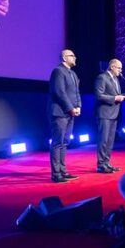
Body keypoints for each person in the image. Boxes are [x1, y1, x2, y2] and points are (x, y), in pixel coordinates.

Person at [94, 59, 125, 173]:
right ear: (112, 67)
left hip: (114, 113)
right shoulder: (102, 77)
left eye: (121, 68)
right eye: (119, 68)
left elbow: (116, 95)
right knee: (104, 140)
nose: (120, 71)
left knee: (110, 140)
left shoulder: (116, 79)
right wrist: (115, 98)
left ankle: (107, 163)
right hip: (104, 113)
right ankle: (101, 165)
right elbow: (99, 95)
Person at [49, 49, 81, 183]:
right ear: (64, 58)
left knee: (65, 142)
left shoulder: (73, 74)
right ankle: (56, 174)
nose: (75, 58)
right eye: (72, 56)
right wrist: (70, 108)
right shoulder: (58, 71)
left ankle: (63, 171)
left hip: (70, 112)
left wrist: (78, 106)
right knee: (58, 142)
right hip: (60, 112)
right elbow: (59, 92)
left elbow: (76, 92)